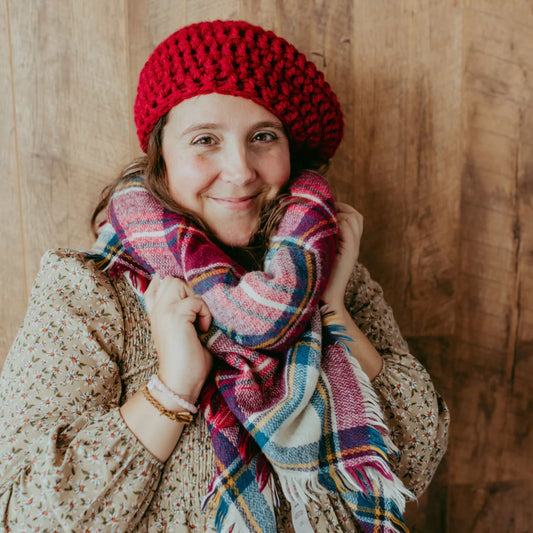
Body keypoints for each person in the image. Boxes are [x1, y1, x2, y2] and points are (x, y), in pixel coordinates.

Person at [0, 20, 449, 533]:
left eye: (262, 136)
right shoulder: (89, 290)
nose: (239, 170)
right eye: (205, 139)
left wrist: (332, 308)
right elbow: (26, 514)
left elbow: (417, 457)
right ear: (161, 158)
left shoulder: (330, 273)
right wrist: (172, 387)